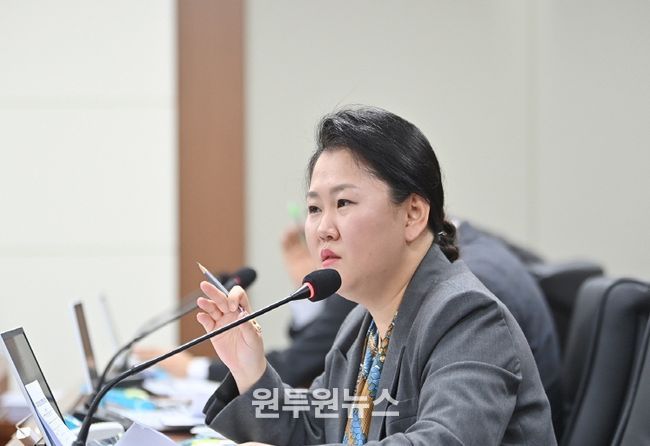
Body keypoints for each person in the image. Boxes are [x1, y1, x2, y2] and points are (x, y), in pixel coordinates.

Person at [194, 106, 556, 445]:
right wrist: (249, 368)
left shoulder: (467, 318)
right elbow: (315, 429)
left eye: (343, 203)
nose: (323, 229)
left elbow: (440, 440)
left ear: (413, 214)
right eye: (314, 208)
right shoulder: (362, 324)